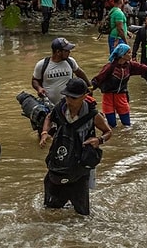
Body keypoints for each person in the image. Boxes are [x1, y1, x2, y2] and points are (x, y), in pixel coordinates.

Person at [38, 78, 112, 215]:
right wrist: (44, 133)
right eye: (67, 96)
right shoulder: (60, 108)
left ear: (84, 96)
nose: (69, 100)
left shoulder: (93, 115)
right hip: (60, 160)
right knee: (50, 209)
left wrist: (99, 140)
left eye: (73, 97)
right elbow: (49, 117)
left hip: (80, 165)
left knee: (82, 214)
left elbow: (108, 132)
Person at [91, 44, 147, 127]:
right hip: (108, 97)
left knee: (127, 125)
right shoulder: (110, 67)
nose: (131, 54)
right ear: (122, 55)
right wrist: (88, 90)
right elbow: (97, 80)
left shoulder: (130, 65)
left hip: (122, 96)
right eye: (129, 53)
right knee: (112, 125)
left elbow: (145, 69)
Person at [32, 37, 92, 106]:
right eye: (66, 51)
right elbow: (35, 80)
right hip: (49, 105)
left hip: (68, 105)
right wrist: (39, 88)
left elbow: (79, 73)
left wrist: (89, 86)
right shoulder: (42, 64)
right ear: (58, 52)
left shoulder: (70, 61)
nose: (69, 52)